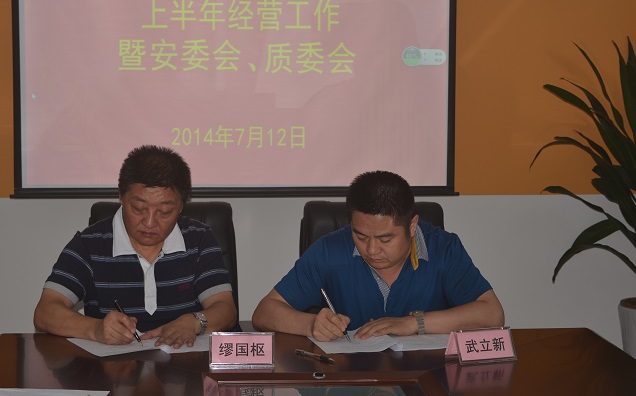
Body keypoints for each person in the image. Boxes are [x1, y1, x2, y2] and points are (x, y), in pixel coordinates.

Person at [252, 170, 504, 341]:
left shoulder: (443, 249)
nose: (372, 250)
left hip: (426, 383)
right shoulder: (331, 249)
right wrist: (310, 324)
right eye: (361, 236)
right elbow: (264, 312)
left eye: (385, 239)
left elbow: (492, 315)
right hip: (353, 384)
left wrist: (413, 323)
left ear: (412, 226)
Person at [34, 145, 236, 348]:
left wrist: (195, 322)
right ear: (121, 196)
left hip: (184, 365)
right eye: (139, 209)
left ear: (182, 206)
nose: (149, 222)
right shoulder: (90, 244)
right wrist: (96, 329)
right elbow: (46, 311)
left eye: (164, 212)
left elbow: (225, 310)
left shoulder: (199, 239)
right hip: (112, 366)